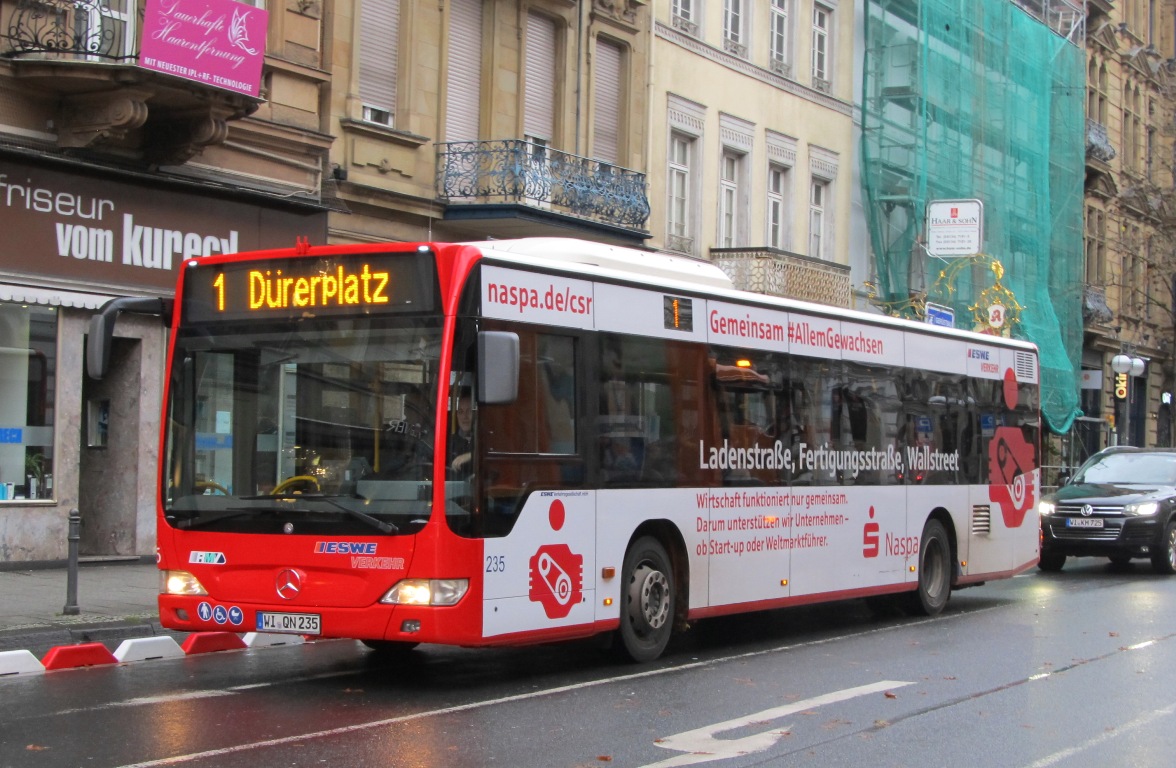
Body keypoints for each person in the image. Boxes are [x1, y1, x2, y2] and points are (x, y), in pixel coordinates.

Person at [448, 391, 474, 476]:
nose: (464, 416)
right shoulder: (448, 442)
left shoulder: (485, 439)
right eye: (461, 412)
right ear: (457, 415)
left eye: (469, 411)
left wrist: (472, 456)